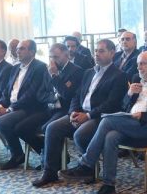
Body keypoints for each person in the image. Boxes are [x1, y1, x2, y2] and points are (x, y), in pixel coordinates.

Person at [58, 51, 147, 194]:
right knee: (111, 136)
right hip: (129, 124)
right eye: (138, 64)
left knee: (107, 121)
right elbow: (123, 106)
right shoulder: (136, 79)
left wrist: (143, 115)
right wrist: (129, 94)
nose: (139, 68)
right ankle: (109, 185)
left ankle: (86, 164)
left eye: (143, 64)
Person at [32, 39, 127, 186]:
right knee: (52, 127)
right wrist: (73, 112)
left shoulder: (119, 75)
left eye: (101, 51)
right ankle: (50, 172)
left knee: (81, 134)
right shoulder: (89, 72)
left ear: (112, 53)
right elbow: (76, 95)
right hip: (80, 112)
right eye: (96, 51)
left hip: (100, 117)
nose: (97, 54)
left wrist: (88, 116)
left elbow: (111, 104)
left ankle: (88, 169)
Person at [0, 40, 51, 173]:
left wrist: (8, 109)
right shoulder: (15, 67)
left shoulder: (40, 67)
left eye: (22, 49)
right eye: (17, 49)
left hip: (29, 107)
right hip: (11, 105)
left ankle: (18, 155)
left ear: (32, 52)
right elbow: (6, 92)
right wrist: (0, 106)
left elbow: (31, 95)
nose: (17, 51)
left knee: (2, 122)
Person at [18, 42, 85, 155]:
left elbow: (67, 95)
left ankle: (51, 157)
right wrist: (54, 98)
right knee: (21, 128)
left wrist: (54, 76)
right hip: (49, 107)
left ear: (66, 55)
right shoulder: (48, 70)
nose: (53, 60)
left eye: (56, 57)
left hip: (64, 110)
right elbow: (40, 94)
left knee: (47, 128)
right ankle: (45, 152)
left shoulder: (76, 71)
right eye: (50, 57)